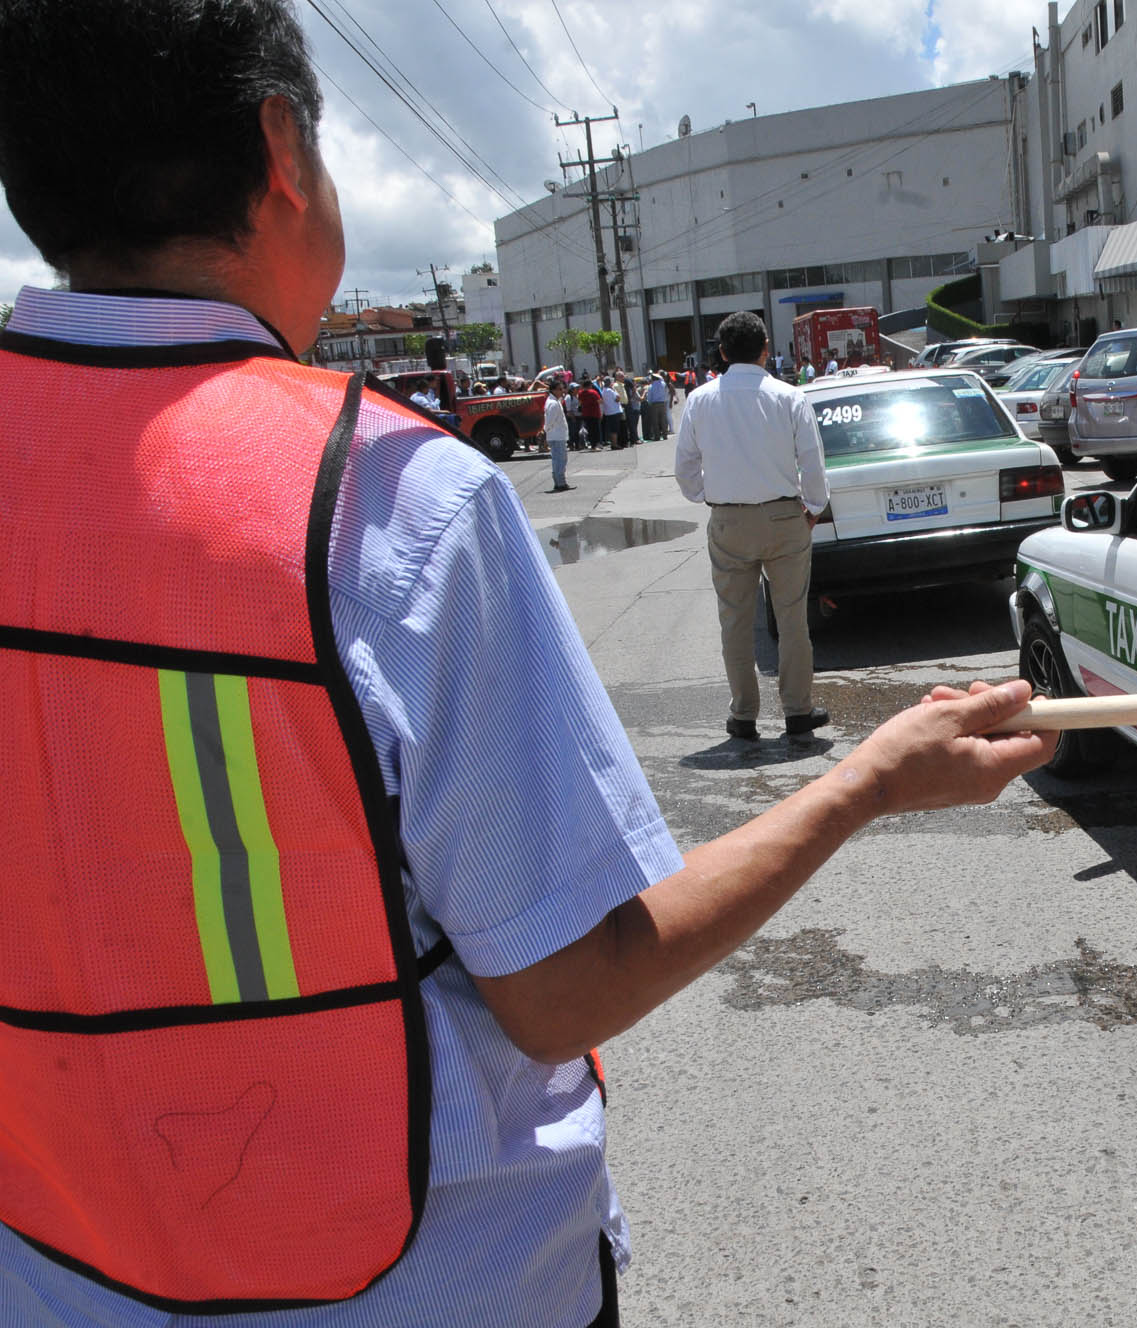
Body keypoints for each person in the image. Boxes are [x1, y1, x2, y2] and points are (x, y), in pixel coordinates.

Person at [0, 8, 1053, 1324]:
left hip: (55, 1275)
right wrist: (866, 783)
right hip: (433, 1282)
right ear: (281, 150)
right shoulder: (379, 499)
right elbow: (568, 988)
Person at [674, 312, 830, 742]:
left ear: (722, 353)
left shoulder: (700, 400)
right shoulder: (789, 396)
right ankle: (798, 710)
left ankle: (744, 716)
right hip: (784, 517)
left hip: (729, 520)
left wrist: (711, 495)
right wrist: (814, 506)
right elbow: (812, 461)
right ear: (765, 348)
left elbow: (685, 469)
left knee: (735, 622)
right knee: (792, 618)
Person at [544, 378, 574, 491]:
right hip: (556, 435)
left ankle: (559, 482)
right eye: (559, 389)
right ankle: (560, 483)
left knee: (558, 459)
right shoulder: (553, 404)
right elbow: (549, 421)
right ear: (553, 390)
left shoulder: (554, 401)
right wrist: (546, 430)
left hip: (557, 435)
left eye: (563, 388)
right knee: (560, 460)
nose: (562, 391)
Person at [599, 371, 626, 449]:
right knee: (615, 429)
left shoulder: (603, 390)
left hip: (608, 412)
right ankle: (614, 444)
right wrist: (614, 390)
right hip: (614, 412)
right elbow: (618, 398)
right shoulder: (610, 390)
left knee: (612, 429)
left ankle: (614, 443)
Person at [576, 373, 602, 448]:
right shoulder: (593, 392)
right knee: (596, 429)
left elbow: (580, 402)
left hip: (586, 413)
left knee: (590, 429)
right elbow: (600, 401)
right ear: (590, 385)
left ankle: (592, 444)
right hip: (595, 413)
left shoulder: (580, 393)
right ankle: (596, 444)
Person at [643, 371, 670, 441]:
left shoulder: (650, 386)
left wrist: (649, 403)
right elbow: (666, 391)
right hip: (663, 403)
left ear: (653, 379)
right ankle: (665, 435)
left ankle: (657, 436)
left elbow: (649, 397)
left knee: (655, 421)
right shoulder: (663, 384)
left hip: (654, 404)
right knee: (663, 420)